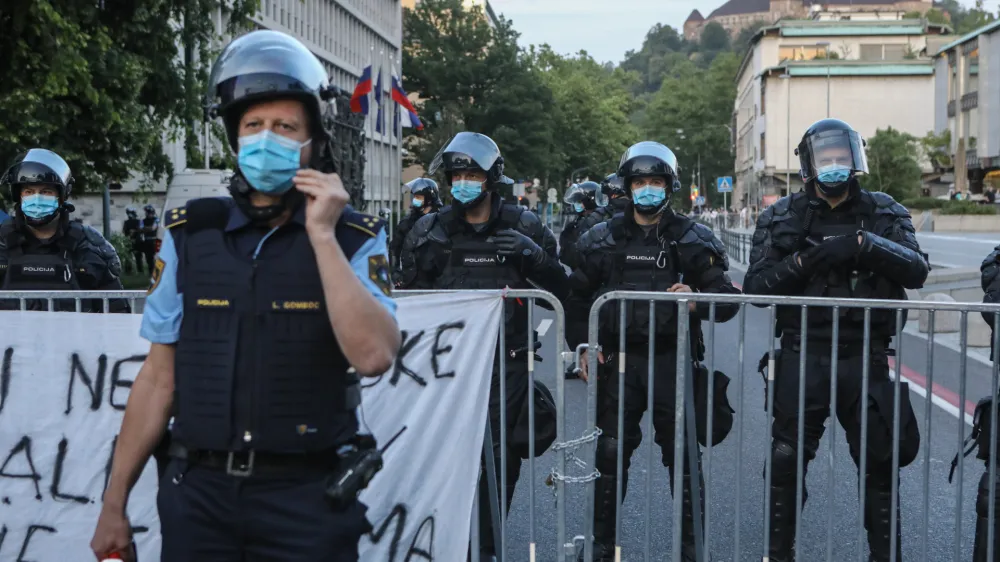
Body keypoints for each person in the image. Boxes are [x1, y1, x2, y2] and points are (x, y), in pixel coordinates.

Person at [89, 30, 401, 562]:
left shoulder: (354, 235)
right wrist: (113, 503)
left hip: (306, 500)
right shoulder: (190, 234)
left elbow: (373, 355)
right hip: (200, 499)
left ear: (313, 140)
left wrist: (321, 234)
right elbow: (158, 377)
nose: (266, 138)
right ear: (234, 136)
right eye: (253, 125)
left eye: (285, 127)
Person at [743, 118, 928, 562]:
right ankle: (778, 553)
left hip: (866, 357)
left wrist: (866, 246)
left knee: (879, 466)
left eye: (841, 158)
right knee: (785, 462)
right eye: (825, 160)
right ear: (809, 165)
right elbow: (756, 288)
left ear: (854, 160)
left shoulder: (883, 210)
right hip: (801, 355)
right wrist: (810, 259)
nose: (833, 166)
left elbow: (917, 270)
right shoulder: (782, 215)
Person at [398, 131, 567, 561]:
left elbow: (566, 288)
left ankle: (485, 549)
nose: (463, 182)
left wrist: (536, 257)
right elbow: (409, 299)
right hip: (446, 370)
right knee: (442, 464)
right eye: (457, 174)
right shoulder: (429, 230)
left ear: (491, 178)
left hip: (505, 368)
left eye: (472, 173)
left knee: (499, 463)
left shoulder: (524, 225)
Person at [568, 141, 740, 562]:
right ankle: (601, 548)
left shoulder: (692, 237)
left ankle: (691, 550)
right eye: (640, 182)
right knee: (609, 454)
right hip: (619, 364)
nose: (647, 189)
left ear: (669, 186)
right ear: (628, 186)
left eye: (655, 182)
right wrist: (584, 346)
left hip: (673, 363)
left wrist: (697, 297)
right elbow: (575, 297)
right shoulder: (601, 237)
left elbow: (728, 299)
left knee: (683, 458)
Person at [0, 149, 130, 313]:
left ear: (62, 195)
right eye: (29, 192)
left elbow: (118, 318)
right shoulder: (2, 243)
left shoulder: (89, 247)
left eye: (46, 192)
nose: (37, 199)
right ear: (18, 196)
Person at [389, 177, 440, 276]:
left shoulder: (442, 219)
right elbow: (394, 249)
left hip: (437, 278)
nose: (415, 200)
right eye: (415, 196)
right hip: (412, 276)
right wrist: (395, 272)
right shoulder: (407, 222)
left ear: (429, 199)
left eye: (419, 197)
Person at [559, 180, 604, 267]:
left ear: (590, 201)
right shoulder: (580, 220)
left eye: (579, 201)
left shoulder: (596, 220)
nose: (576, 204)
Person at [122, 207, 144, 273]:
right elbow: (124, 231)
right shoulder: (127, 222)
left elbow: (141, 230)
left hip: (137, 241)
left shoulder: (139, 221)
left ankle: (139, 270)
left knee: (138, 256)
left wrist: (134, 231)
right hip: (129, 240)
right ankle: (129, 270)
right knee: (128, 257)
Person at [138, 204, 159, 273]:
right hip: (146, 240)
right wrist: (148, 228)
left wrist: (145, 228)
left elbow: (153, 228)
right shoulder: (143, 220)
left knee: (155, 258)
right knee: (148, 258)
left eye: (148, 212)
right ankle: (151, 272)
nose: (147, 213)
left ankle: (156, 272)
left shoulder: (156, 219)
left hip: (154, 240)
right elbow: (140, 229)